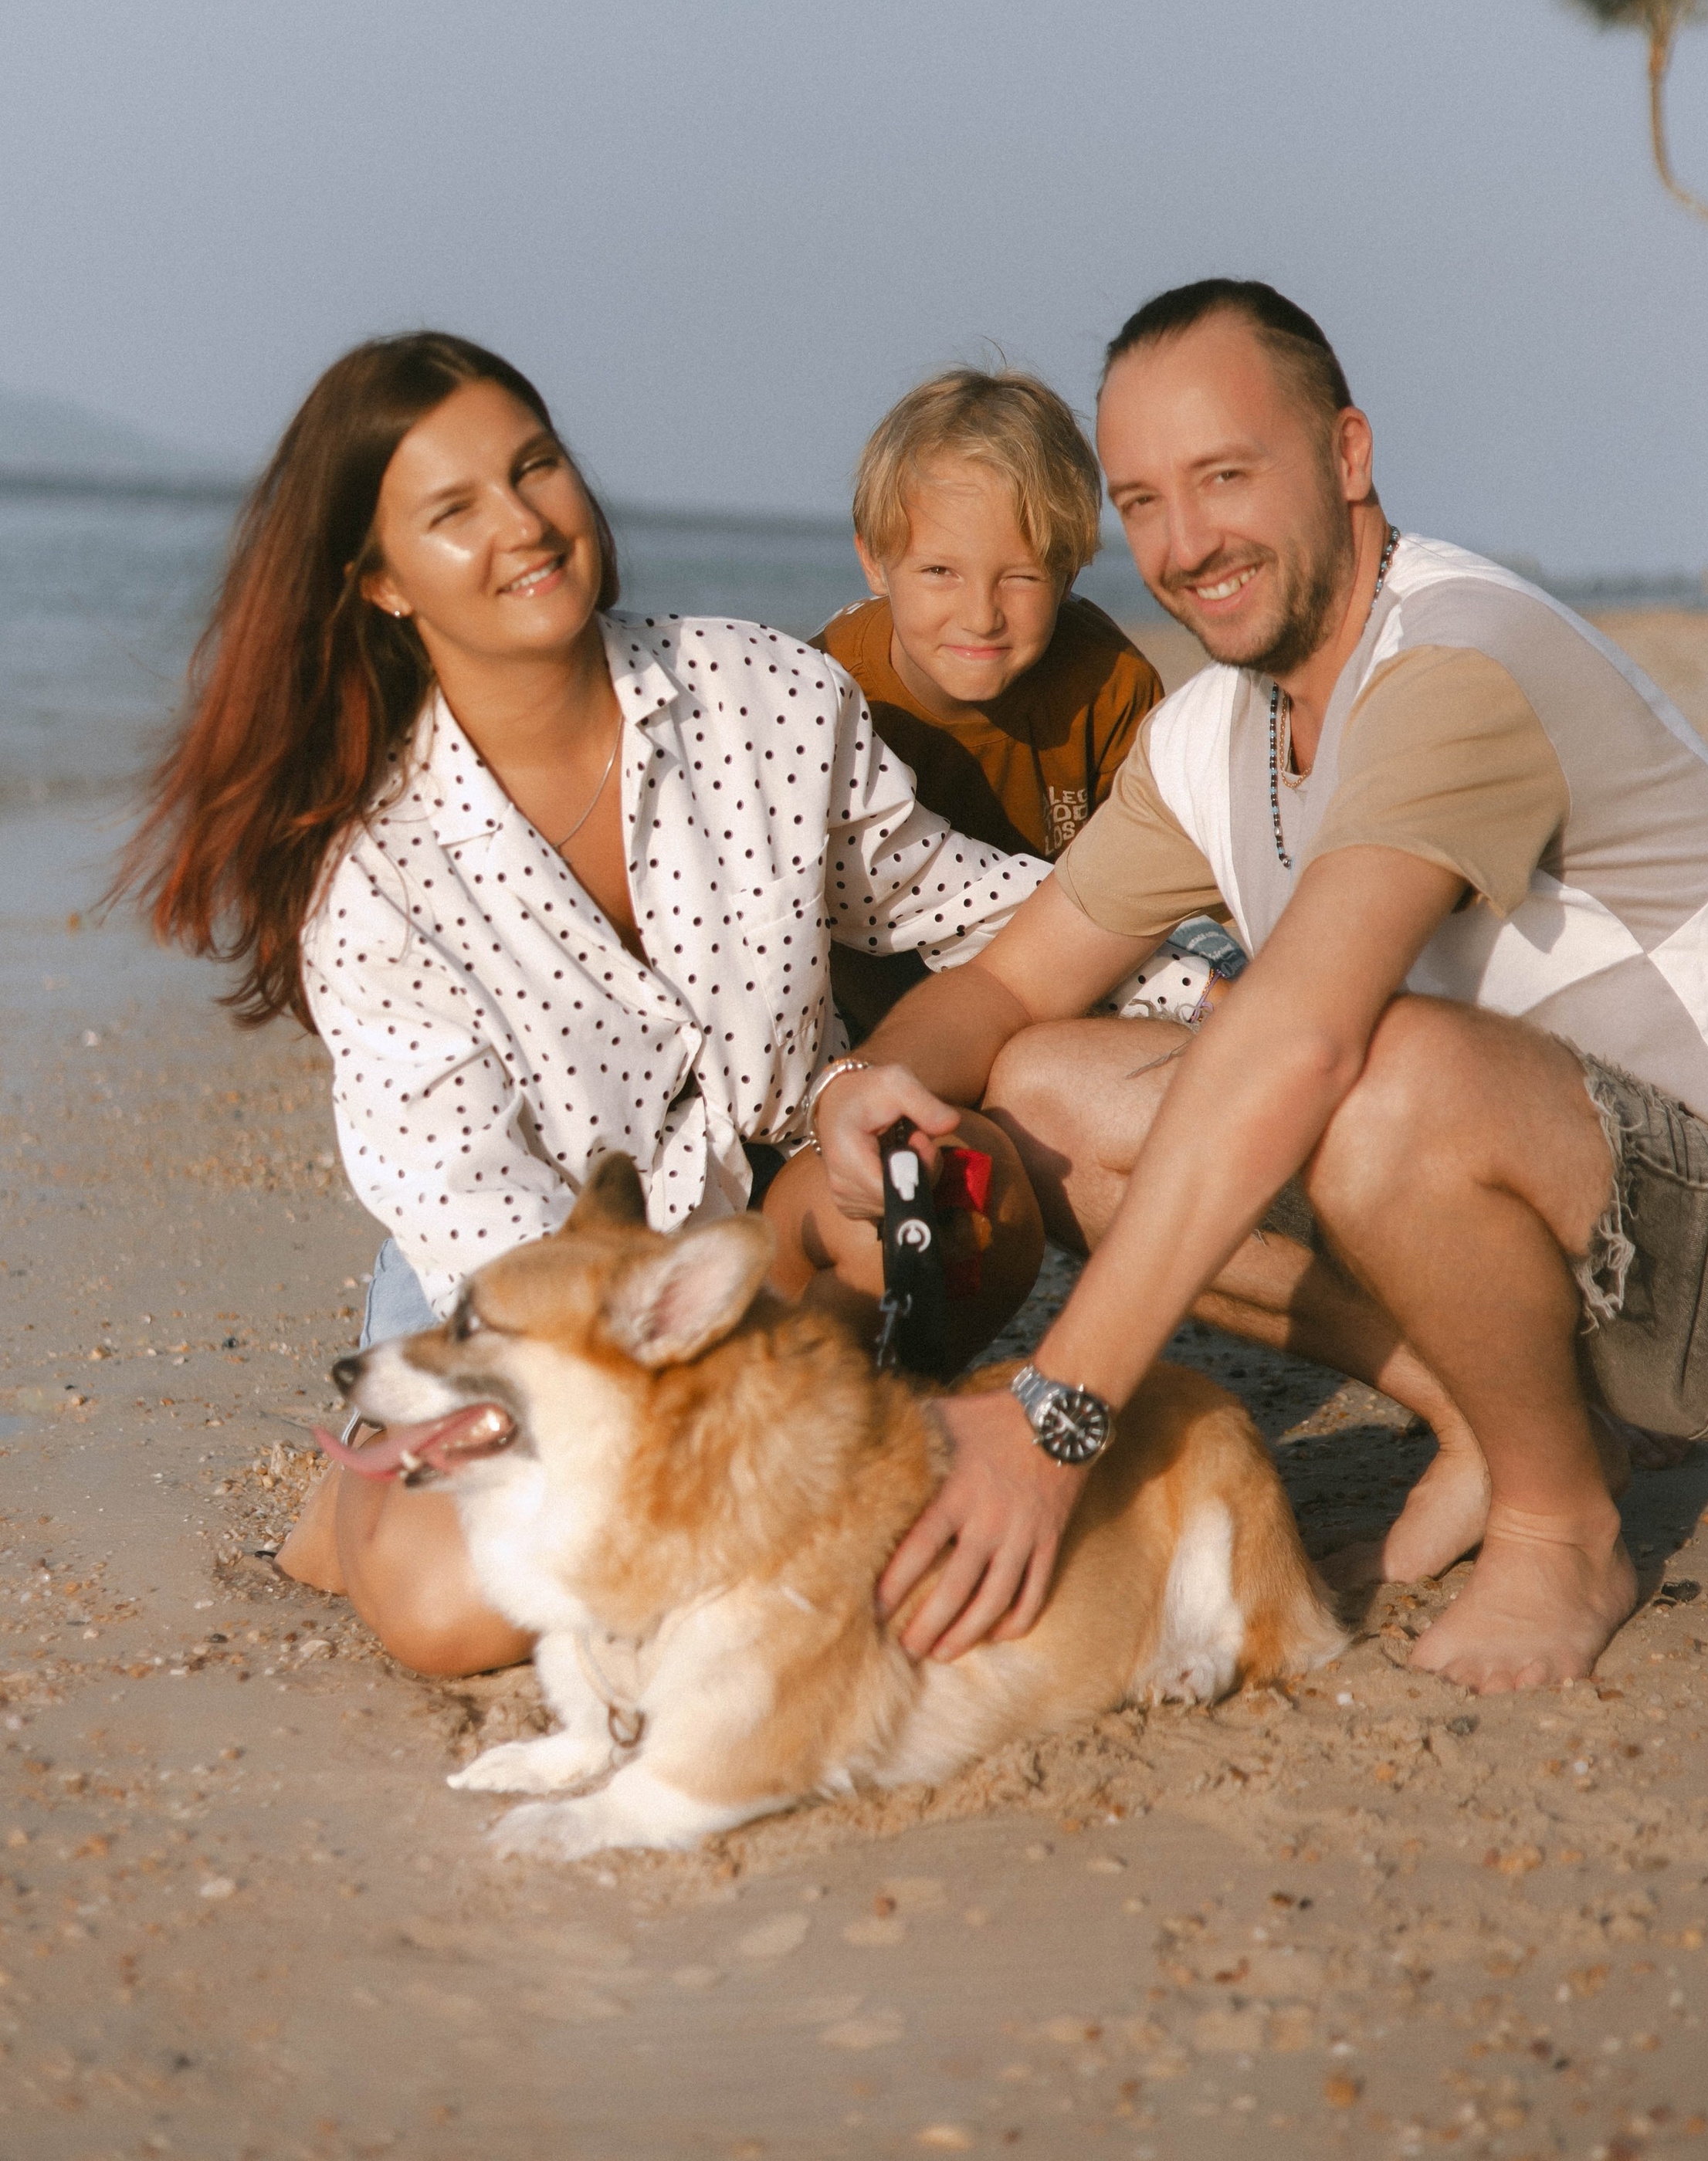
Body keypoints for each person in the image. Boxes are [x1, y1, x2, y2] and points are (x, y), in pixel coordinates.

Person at [801, 279, 1708, 1695]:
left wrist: (1054, 1415)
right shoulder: (1215, 732)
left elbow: (1307, 1040)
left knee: (1368, 1070)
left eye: (1226, 477)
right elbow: (1010, 985)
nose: (1186, 543)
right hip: (1539, 1220)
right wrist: (863, 1087)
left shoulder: (1459, 665)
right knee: (1036, 1091)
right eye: (1144, 501)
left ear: (1346, 455)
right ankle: (1484, 1413)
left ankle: (1561, 1523)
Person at [124, 334, 1201, 1676]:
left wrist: (1221, 992)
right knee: (455, 1615)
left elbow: (962, 901)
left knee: (966, 1200)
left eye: (535, 468)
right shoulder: (373, 872)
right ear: (383, 582)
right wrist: (665, 1390)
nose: (524, 523)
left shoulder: (767, 697)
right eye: (454, 510)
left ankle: (751, 1456)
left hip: (766, 1221)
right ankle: (357, 1502)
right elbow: (474, 1207)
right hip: (529, 1299)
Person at [816, 365, 1196, 1032]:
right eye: (940, 571)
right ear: (875, 561)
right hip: (866, 998)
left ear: (1069, 573)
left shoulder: (1109, 689)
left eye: (1020, 577)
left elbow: (1145, 901)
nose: (981, 616)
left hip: (1054, 985)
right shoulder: (827, 691)